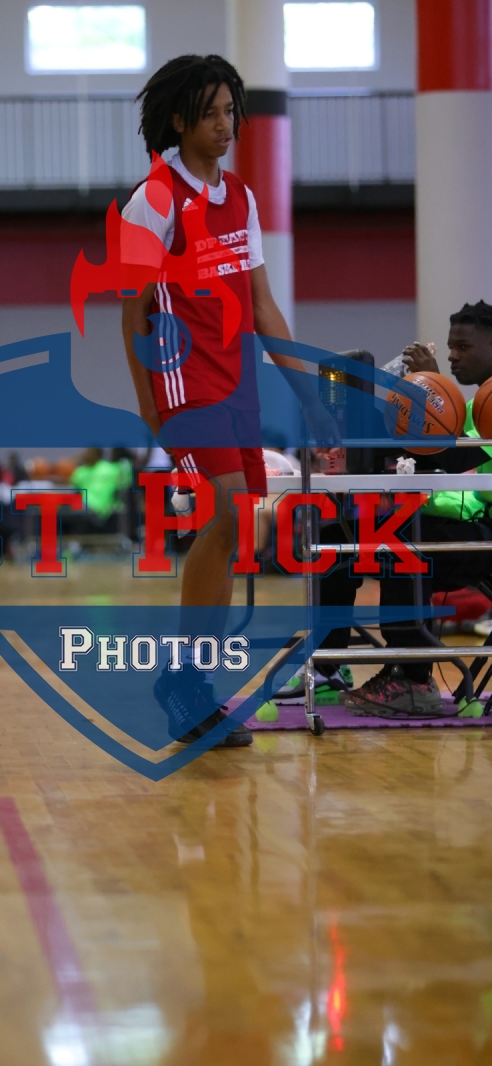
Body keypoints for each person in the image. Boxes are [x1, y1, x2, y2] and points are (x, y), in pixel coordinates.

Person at [121, 54, 322, 746]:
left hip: (238, 381)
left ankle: (192, 683)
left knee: (236, 528)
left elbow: (263, 306)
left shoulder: (241, 197)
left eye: (230, 111)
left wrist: (308, 398)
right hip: (185, 381)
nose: (225, 124)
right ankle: (184, 681)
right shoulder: (154, 198)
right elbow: (132, 312)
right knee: (232, 514)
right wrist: (149, 406)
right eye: (209, 113)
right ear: (179, 121)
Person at [317, 300, 492, 717]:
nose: (453, 356)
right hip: (461, 525)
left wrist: (428, 388)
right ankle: (327, 667)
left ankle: (413, 680)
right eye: (451, 347)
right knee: (335, 540)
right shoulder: (471, 406)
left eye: (464, 347)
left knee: (400, 540)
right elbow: (429, 449)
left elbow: (453, 457)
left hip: (485, 533)